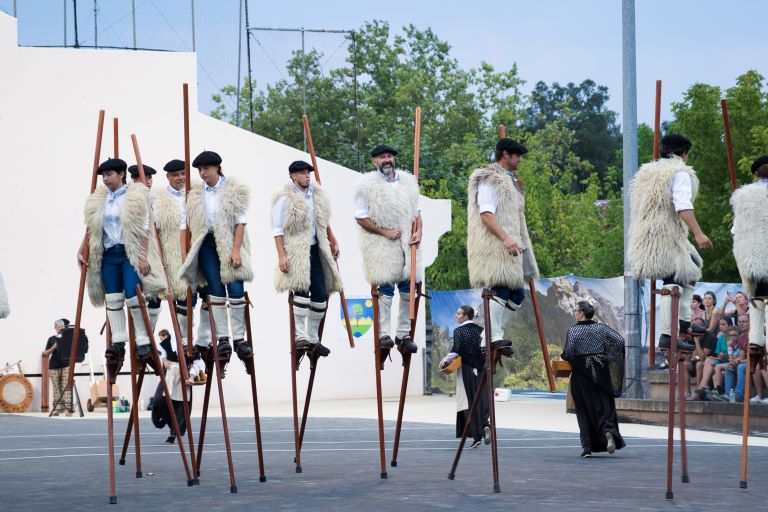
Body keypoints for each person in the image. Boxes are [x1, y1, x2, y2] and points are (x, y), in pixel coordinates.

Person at [77, 158, 166, 379]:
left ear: (121, 174)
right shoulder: (98, 200)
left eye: (109, 174)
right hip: (108, 254)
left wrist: (144, 257)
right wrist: (82, 249)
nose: (105, 178)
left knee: (133, 294)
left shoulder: (135, 196)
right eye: (103, 175)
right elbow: (92, 229)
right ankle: (118, 342)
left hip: (130, 253)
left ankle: (144, 341)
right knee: (113, 297)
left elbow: (145, 228)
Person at [628, 134, 711, 353]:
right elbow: (683, 207)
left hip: (644, 239)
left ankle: (682, 322)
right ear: (683, 153)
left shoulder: (646, 172)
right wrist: (699, 233)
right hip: (664, 239)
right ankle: (668, 333)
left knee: (692, 264)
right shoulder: (679, 172)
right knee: (673, 279)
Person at [178, 151, 254, 369]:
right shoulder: (193, 194)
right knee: (216, 290)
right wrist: (186, 253)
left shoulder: (232, 189)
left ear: (217, 168)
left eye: (206, 169)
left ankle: (239, 338)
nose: (202, 173)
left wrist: (236, 250)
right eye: (199, 170)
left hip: (229, 241)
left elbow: (240, 222)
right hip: (206, 244)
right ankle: (223, 338)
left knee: (236, 289)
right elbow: (185, 224)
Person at [467, 138, 539, 352]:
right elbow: (486, 214)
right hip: (496, 249)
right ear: (505, 154)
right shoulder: (491, 179)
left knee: (517, 294)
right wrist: (506, 238)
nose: (520, 160)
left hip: (512, 250)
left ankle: (491, 332)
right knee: (499, 288)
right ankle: (491, 336)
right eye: (517, 155)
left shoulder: (511, 181)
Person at [354, 144, 421, 355]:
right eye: (382, 157)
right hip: (381, 246)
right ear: (375, 162)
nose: (387, 160)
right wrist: (385, 232)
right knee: (385, 290)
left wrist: (419, 232)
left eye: (390, 156)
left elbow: (416, 213)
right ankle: (384, 334)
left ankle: (403, 334)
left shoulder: (408, 183)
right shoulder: (367, 186)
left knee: (408, 289)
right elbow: (360, 217)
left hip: (406, 245)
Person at [272, 160, 342, 356]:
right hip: (296, 251)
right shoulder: (285, 199)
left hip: (316, 249)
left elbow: (323, 221)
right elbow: (277, 230)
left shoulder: (317, 196)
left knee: (320, 294)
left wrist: (332, 239)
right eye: (302, 173)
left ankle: (312, 339)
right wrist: (281, 255)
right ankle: (300, 336)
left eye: (308, 172)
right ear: (293, 176)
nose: (307, 176)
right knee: (301, 292)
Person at [155, 159, 210, 350]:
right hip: (175, 256)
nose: (180, 177)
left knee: (209, 295)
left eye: (183, 173)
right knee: (185, 298)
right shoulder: (159, 199)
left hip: (201, 251)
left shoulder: (198, 193)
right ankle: (185, 341)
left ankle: (204, 340)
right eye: (175, 175)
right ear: (168, 177)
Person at [561, 300, 626, 458]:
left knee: (583, 411)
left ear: (581, 313)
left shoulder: (574, 331)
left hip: (581, 376)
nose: (575, 313)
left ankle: (587, 449)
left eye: (576, 311)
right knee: (605, 406)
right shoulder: (602, 328)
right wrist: (606, 357)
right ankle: (608, 432)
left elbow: (569, 353)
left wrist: (564, 357)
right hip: (601, 374)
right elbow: (619, 341)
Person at [731, 155, 768, 353]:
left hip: (753, 257)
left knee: (758, 295)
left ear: (755, 174)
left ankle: (755, 340)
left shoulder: (744, 197)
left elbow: (735, 231)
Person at [152, 329, 204, 443]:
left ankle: (174, 433)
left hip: (184, 375)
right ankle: (163, 422)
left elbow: (196, 362)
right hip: (170, 373)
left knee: (180, 406)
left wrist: (191, 377)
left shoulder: (192, 343)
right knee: (159, 400)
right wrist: (164, 359)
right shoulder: (170, 338)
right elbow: (162, 351)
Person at [128, 163, 162, 330]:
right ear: (134, 180)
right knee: (134, 295)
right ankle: (138, 337)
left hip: (154, 252)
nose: (149, 181)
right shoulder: (128, 199)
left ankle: (150, 335)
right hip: (134, 252)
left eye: (150, 178)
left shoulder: (155, 199)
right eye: (144, 178)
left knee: (155, 294)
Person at [449, 305, 488, 449]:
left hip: (466, 370)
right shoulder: (481, 330)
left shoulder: (459, 331)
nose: (456, 315)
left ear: (466, 316)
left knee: (466, 402)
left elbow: (456, 351)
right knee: (480, 399)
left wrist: (445, 361)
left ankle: (476, 435)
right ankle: (485, 424)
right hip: (481, 369)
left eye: (458, 314)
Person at [42, 319, 73, 416]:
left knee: (66, 387)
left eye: (62, 326)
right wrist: (54, 347)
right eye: (58, 326)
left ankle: (68, 409)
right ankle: (58, 409)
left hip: (65, 366)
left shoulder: (67, 338)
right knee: (56, 388)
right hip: (54, 366)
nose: (60, 328)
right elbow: (45, 353)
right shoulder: (51, 339)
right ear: (55, 328)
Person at [695, 318, 730, 398]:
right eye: (720, 325)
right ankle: (703, 388)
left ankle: (702, 387)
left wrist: (722, 356)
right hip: (722, 362)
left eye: (723, 324)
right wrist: (719, 358)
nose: (721, 326)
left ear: (730, 326)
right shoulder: (721, 338)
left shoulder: (733, 336)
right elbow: (719, 356)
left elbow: (732, 355)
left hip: (730, 361)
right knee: (707, 360)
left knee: (707, 360)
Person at [724, 315, 750, 402]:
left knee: (741, 367)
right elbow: (741, 357)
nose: (741, 324)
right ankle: (728, 395)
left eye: (744, 322)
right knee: (729, 366)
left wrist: (738, 362)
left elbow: (753, 358)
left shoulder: (754, 335)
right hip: (745, 361)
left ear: (750, 323)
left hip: (757, 362)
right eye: (740, 322)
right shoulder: (742, 337)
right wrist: (735, 362)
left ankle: (739, 395)